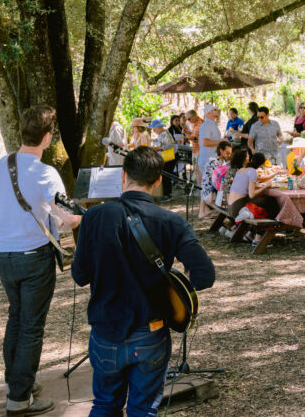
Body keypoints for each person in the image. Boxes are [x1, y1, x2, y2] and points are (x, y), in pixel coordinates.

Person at [71, 147, 215, 415]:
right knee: (144, 410)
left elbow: (79, 276)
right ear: (158, 180)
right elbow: (205, 276)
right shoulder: (172, 222)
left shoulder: (93, 217)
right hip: (151, 329)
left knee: (104, 405)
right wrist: (175, 289)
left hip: (105, 330)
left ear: (123, 175)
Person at [0, 105, 81, 415]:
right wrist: (82, 216)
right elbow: (67, 219)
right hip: (34, 257)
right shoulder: (46, 173)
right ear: (47, 137)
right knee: (31, 327)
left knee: (15, 318)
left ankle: (16, 382)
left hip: (6, 256)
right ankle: (19, 398)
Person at [225, 152, 275, 219]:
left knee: (262, 200)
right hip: (238, 209)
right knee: (270, 200)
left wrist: (257, 183)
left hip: (230, 207)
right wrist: (265, 187)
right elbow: (252, 194)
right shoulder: (252, 171)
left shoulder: (241, 169)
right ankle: (271, 224)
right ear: (262, 164)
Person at [199, 140, 232, 211]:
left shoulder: (223, 162)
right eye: (227, 153)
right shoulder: (213, 161)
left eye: (230, 154)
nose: (229, 155)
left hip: (215, 191)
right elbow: (215, 180)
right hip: (209, 194)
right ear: (221, 150)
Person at [196, 104, 221, 170]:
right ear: (209, 113)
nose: (217, 111)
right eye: (215, 110)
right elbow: (204, 142)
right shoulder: (206, 125)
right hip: (207, 161)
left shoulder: (211, 124)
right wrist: (221, 142)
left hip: (212, 160)